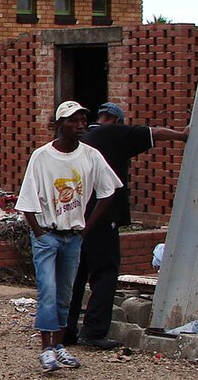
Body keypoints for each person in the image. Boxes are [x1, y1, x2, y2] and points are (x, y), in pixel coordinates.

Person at [66, 102, 189, 349]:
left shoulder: (81, 139)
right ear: (117, 120)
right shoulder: (114, 133)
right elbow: (155, 133)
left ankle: (66, 331)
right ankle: (93, 332)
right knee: (105, 272)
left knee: (76, 275)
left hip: (75, 216)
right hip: (101, 216)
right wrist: (183, 135)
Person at [16, 101, 121, 373]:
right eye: (74, 121)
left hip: (73, 236)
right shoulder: (42, 157)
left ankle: (59, 345)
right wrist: (39, 233)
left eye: (83, 120)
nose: (81, 125)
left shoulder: (90, 156)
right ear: (59, 124)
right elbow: (26, 201)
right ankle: (46, 348)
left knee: (65, 293)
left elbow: (108, 191)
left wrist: (87, 226)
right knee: (48, 291)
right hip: (48, 235)